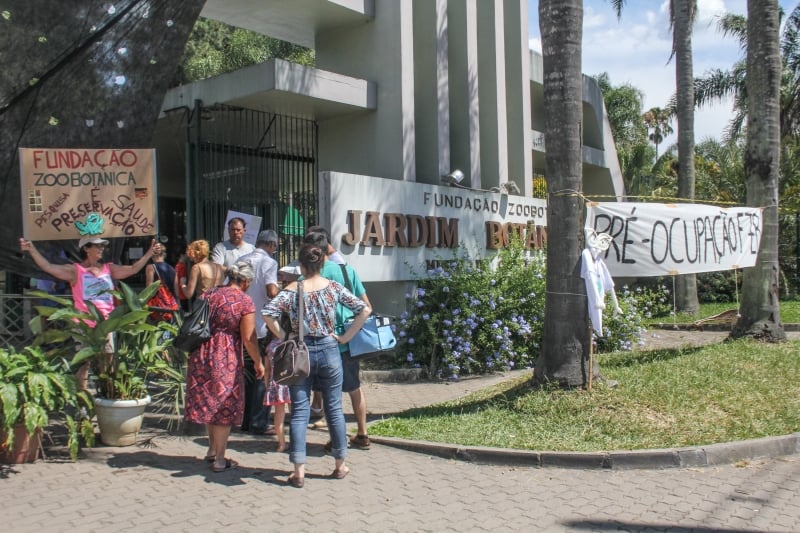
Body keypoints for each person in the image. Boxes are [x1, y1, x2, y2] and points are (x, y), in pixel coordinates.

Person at [263, 243, 371, 488]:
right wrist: (345, 337)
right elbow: (364, 310)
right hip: (329, 349)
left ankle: (299, 470)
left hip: (300, 353)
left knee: (300, 411)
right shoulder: (333, 287)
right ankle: (340, 464)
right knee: (334, 408)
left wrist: (283, 335)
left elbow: (268, 312)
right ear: (322, 263)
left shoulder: (292, 289)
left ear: (300, 265)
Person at [19, 235, 162, 387]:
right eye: (97, 246)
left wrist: (149, 253)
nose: (102, 249)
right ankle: (83, 402)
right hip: (84, 325)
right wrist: (31, 249)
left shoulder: (108, 268)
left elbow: (133, 269)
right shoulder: (76, 271)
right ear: (86, 249)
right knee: (84, 364)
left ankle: (106, 396)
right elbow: (48, 267)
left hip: (106, 324)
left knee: (108, 362)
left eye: (102, 246)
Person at [184, 261, 265, 473]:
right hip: (225, 355)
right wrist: (258, 362)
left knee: (210, 401)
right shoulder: (244, 301)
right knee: (223, 405)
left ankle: (212, 449)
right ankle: (220, 459)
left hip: (200, 353)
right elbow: (248, 337)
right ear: (246, 281)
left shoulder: (209, 294)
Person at [303, 230, 374, 450]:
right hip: (348, 342)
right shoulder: (346, 270)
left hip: (321, 342)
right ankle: (362, 434)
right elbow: (367, 307)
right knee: (354, 389)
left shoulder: (309, 275)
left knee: (329, 395)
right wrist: (347, 336)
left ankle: (337, 440)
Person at [238, 229, 281, 435]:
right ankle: (258, 422)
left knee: (246, 374)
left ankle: (245, 420)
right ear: (271, 245)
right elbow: (271, 291)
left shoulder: (242, 259)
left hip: (242, 322)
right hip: (261, 326)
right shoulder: (269, 263)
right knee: (262, 373)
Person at [180, 239, 225, 308]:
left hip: (202, 305)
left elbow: (189, 294)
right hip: (218, 304)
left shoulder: (197, 267)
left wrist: (182, 284)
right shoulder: (219, 267)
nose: (191, 259)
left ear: (195, 253)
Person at [145, 245, 178, 322]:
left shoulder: (151, 267)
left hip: (157, 309)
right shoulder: (172, 269)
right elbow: (177, 292)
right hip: (172, 308)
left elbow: (148, 291)